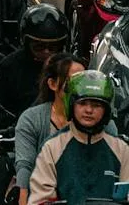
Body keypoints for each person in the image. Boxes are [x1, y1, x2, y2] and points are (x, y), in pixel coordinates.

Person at [16, 56, 108, 205]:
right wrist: (24, 197)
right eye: (73, 81)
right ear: (53, 84)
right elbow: (25, 165)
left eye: (84, 80)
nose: (80, 86)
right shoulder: (31, 119)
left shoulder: (103, 121)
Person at [28, 70, 129, 205]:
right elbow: (39, 198)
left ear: (107, 109)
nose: (89, 110)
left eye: (96, 105)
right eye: (82, 103)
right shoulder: (52, 148)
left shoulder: (122, 150)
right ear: (71, 104)